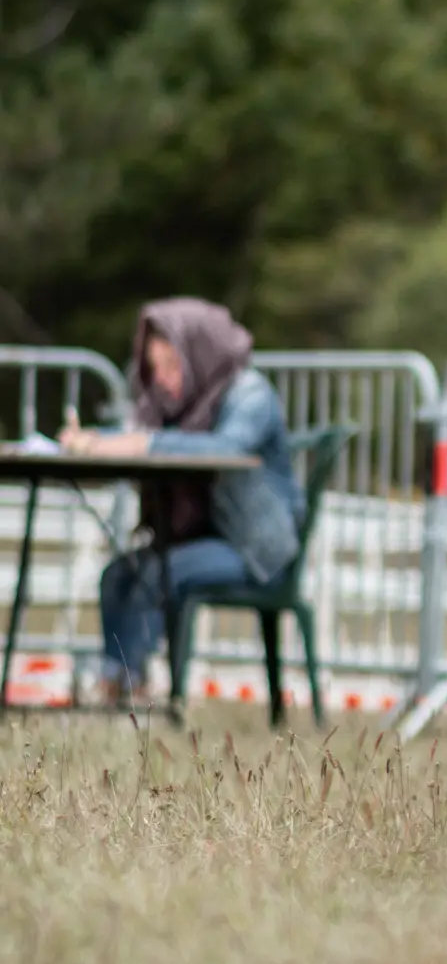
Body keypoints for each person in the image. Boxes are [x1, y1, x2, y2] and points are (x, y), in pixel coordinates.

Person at [60, 298, 305, 704]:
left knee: (159, 573)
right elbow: (139, 432)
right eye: (156, 369)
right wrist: (96, 440)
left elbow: (226, 449)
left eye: (173, 365)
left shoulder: (250, 393)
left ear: (200, 353)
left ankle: (132, 690)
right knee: (119, 575)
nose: (164, 380)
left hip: (255, 550)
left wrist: (144, 443)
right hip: (209, 540)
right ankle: (117, 681)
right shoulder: (182, 404)